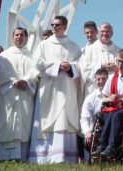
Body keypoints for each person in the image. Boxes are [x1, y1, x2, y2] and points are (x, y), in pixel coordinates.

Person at [28, 15, 82, 164]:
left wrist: (71, 67)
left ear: (65, 26)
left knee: (65, 117)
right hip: (49, 89)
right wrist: (57, 65)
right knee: (47, 117)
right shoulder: (44, 45)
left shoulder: (73, 46)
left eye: (58, 25)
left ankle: (66, 157)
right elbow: (37, 64)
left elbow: (80, 64)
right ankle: (45, 157)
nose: (54, 27)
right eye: (53, 25)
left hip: (67, 88)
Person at [0, 27, 38, 162]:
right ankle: (3, 157)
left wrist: (26, 81)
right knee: (7, 123)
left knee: (24, 124)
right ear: (13, 37)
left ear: (26, 38)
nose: (19, 37)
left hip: (25, 94)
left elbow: (35, 74)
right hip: (8, 95)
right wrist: (13, 82)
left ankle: (22, 157)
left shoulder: (32, 56)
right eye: (17, 35)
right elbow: (0, 73)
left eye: (22, 35)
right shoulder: (4, 55)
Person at [79, 22, 119, 98]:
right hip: (93, 90)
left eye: (107, 31)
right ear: (98, 32)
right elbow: (83, 69)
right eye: (102, 31)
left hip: (113, 90)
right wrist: (101, 66)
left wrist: (116, 67)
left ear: (112, 33)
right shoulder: (89, 50)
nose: (105, 33)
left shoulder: (118, 50)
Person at [80, 68, 109, 160]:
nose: (101, 81)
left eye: (103, 79)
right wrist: (87, 131)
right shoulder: (90, 98)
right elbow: (84, 118)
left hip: (111, 129)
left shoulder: (114, 95)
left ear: (108, 80)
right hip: (96, 131)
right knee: (87, 140)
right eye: (98, 79)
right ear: (95, 81)